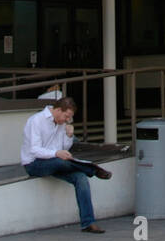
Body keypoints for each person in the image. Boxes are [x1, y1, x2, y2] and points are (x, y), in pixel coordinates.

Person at [21, 97, 112, 232]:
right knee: (60, 161)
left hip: (57, 163)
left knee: (81, 178)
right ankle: (92, 169)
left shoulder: (61, 123)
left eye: (69, 118)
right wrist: (57, 153)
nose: (66, 120)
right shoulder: (36, 120)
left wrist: (69, 136)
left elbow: (64, 147)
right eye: (66, 116)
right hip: (34, 164)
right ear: (58, 110)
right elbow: (34, 150)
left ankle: (88, 223)